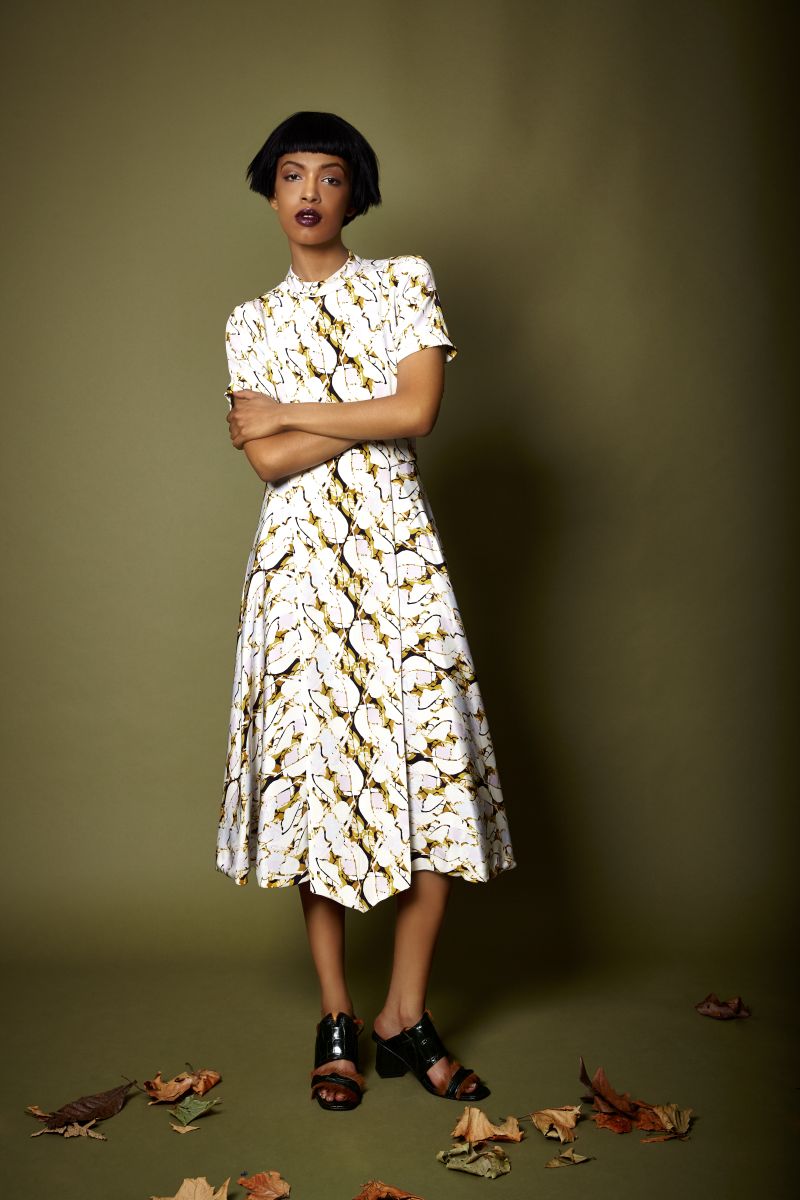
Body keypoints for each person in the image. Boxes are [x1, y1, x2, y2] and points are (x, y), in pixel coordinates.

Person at [216, 111, 517, 1111]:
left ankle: (404, 1015)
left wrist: (293, 411)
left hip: (398, 567)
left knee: (432, 785)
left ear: (356, 193)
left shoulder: (402, 283)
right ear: (270, 192)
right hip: (299, 577)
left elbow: (416, 411)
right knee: (318, 792)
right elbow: (268, 464)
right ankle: (338, 1018)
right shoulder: (249, 321)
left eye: (330, 175)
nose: (309, 192)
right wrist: (360, 413)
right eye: (291, 175)